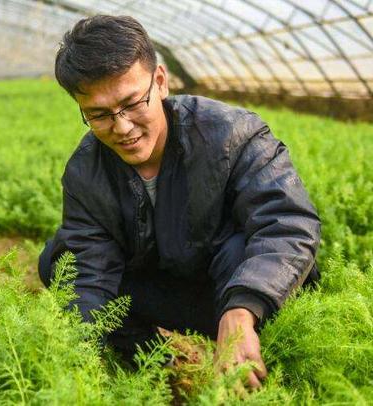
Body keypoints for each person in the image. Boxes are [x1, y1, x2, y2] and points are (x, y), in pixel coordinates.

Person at [38, 15, 320, 388]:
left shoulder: (232, 135)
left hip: (237, 293)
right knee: (60, 261)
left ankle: (267, 369)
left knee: (248, 252)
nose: (122, 128)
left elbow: (288, 223)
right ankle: (152, 364)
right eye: (99, 115)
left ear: (160, 81)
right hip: (169, 292)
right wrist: (76, 353)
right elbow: (91, 267)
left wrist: (243, 306)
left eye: (132, 103)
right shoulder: (86, 170)